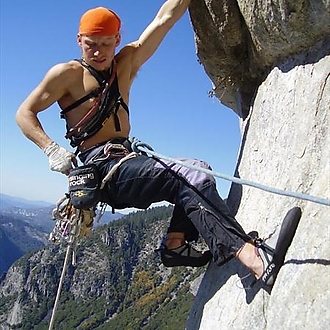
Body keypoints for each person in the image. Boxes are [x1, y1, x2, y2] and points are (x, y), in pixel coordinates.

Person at [16, 0, 291, 288]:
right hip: (103, 170)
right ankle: (253, 259)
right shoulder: (66, 74)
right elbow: (24, 113)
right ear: (79, 40)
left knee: (197, 170)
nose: (98, 52)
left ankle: (175, 244)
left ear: (117, 40)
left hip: (125, 161)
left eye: (106, 44)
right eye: (90, 44)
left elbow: (164, 19)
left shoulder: (126, 63)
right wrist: (50, 148)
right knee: (191, 175)